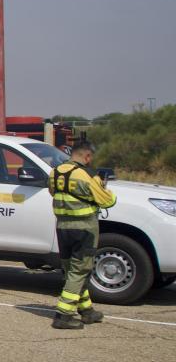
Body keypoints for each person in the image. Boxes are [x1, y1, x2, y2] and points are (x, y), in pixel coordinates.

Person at [48, 139, 116, 330]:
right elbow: (107, 201)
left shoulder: (55, 172)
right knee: (79, 271)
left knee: (72, 271)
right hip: (84, 228)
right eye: (90, 157)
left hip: (63, 228)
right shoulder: (88, 175)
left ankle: (87, 311)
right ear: (87, 156)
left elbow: (52, 192)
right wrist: (107, 190)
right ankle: (63, 315)